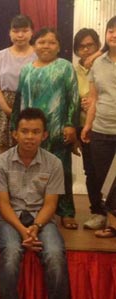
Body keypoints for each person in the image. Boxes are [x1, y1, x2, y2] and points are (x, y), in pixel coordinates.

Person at [0, 108, 70, 299]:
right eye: (24, 131)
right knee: (11, 252)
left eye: (35, 132)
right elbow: (3, 204)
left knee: (54, 254)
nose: (29, 136)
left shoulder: (54, 163)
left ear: (44, 135)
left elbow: (51, 204)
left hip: (41, 218)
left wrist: (35, 226)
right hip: (8, 219)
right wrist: (23, 230)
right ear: (15, 134)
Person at [11, 28, 80, 230]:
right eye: (41, 42)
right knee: (32, 173)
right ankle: (36, 212)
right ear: (34, 45)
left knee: (62, 172)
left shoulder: (65, 67)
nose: (46, 46)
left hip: (57, 131)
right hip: (30, 133)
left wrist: (70, 124)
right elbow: (18, 100)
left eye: (51, 42)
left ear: (58, 46)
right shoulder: (26, 70)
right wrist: (15, 126)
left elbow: (73, 98)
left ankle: (66, 212)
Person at [82, 16, 116, 236]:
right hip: (102, 128)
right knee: (103, 178)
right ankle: (107, 219)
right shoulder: (98, 63)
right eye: (111, 31)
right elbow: (93, 98)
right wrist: (87, 126)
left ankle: (113, 224)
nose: (114, 35)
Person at [0, 15, 36, 155]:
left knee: (29, 149)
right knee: (3, 153)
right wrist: (8, 109)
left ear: (32, 32)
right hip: (4, 107)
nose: (20, 35)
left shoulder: (38, 55)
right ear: (9, 33)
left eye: (25, 31)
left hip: (31, 106)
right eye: (15, 31)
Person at [73, 28, 105, 230]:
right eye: (81, 46)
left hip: (106, 126)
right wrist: (80, 103)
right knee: (91, 172)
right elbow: (68, 98)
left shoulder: (105, 65)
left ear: (97, 45)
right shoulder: (72, 70)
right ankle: (98, 212)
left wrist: (95, 102)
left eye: (90, 45)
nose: (86, 50)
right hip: (85, 127)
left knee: (110, 173)